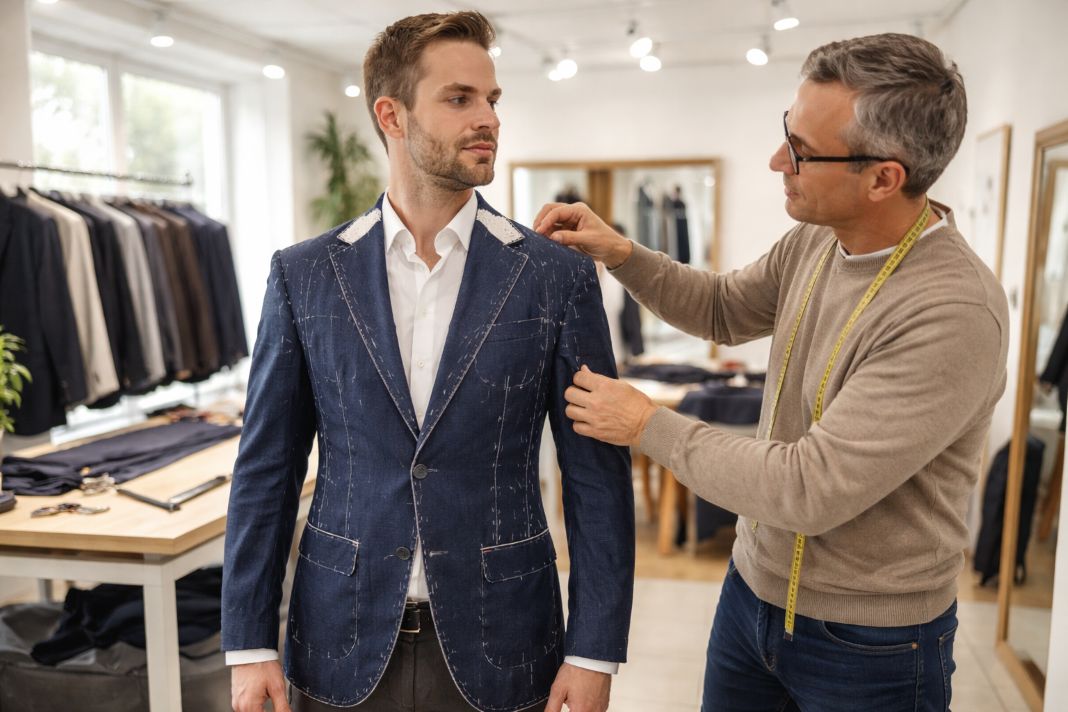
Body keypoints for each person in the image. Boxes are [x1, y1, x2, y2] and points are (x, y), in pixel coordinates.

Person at [534, 33, 1008, 712]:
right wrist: (622, 252)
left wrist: (648, 425)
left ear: (884, 178)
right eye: (787, 131)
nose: (775, 159)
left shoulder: (954, 313)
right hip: (750, 601)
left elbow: (809, 487)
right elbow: (724, 308)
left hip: (871, 645)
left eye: (803, 152)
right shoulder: (820, 237)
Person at [222, 11, 633, 712]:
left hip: (505, 638)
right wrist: (250, 643)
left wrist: (594, 649)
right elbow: (267, 467)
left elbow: (595, 477)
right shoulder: (305, 275)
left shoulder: (552, 277)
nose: (488, 119)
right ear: (392, 114)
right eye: (459, 98)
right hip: (339, 635)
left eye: (493, 100)